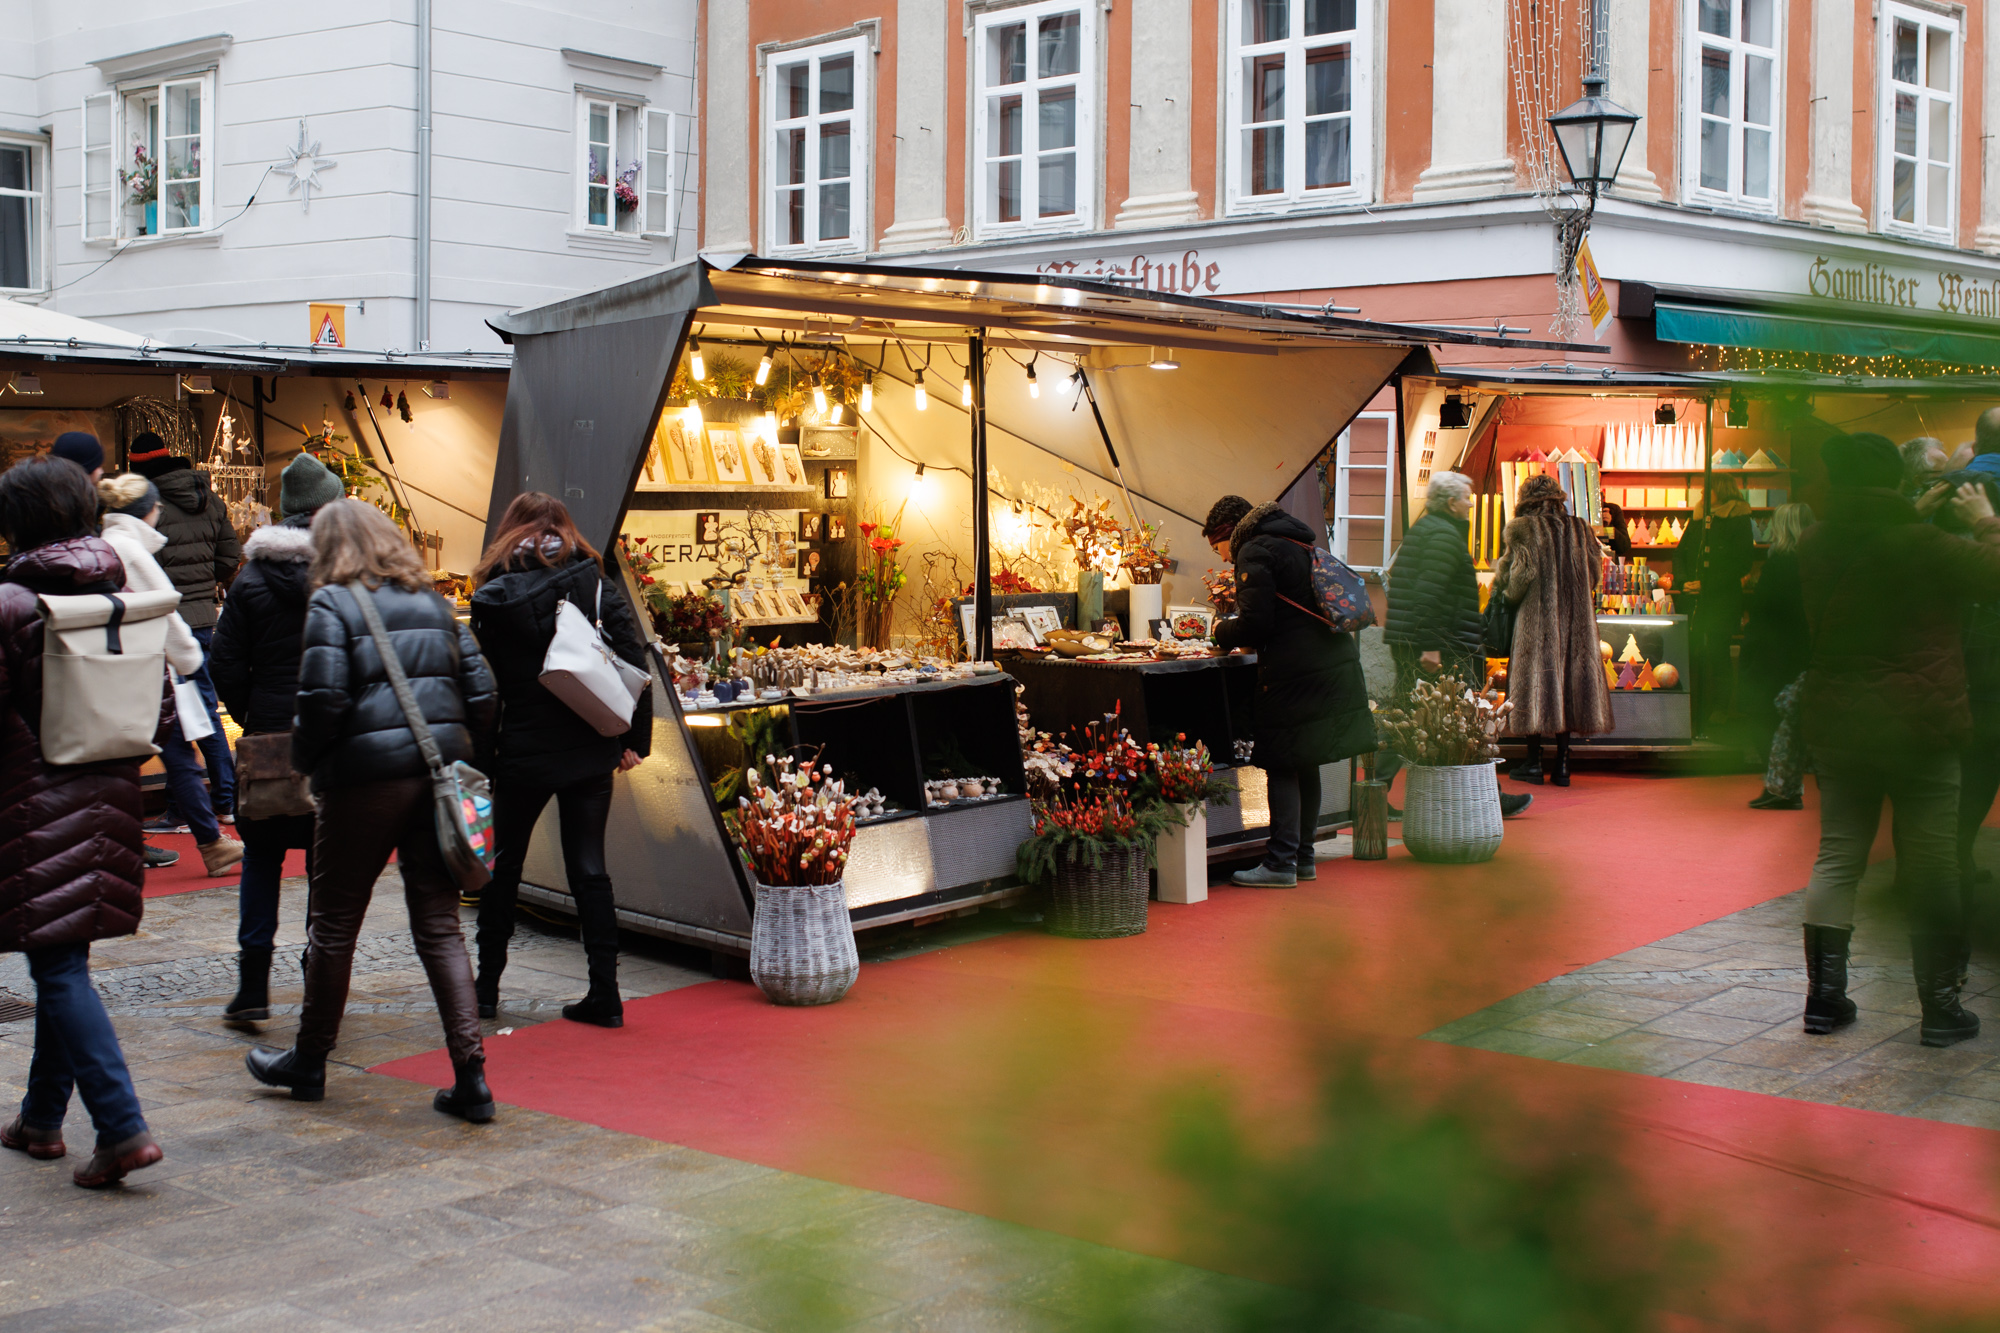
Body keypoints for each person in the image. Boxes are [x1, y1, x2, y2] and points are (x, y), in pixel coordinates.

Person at [244, 499, 499, 1119]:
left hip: (363, 782)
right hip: (438, 775)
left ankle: (308, 1062)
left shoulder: (333, 603)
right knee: (439, 925)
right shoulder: (433, 602)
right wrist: (460, 749)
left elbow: (322, 699)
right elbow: (485, 691)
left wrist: (309, 759)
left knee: (334, 927)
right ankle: (472, 1077)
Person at [1796, 432, 2000, 1048]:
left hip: (1840, 721)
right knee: (1934, 861)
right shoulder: (1926, 544)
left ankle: (1824, 1001)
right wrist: (1987, 522)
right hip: (1922, 723)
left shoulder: (1814, 542)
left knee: (1838, 854)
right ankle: (1940, 1008)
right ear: (1897, 482)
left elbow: (1871, 545)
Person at [0, 458, 163, 1187]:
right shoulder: (119, 591)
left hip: (32, 802)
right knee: (65, 957)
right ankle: (40, 1120)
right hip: (111, 793)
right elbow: (157, 708)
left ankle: (122, 1127)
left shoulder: (10, 602)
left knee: (57, 965)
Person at [469, 493, 652, 1026]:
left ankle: (485, 990)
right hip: (590, 744)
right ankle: (606, 995)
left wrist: (483, 761)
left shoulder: (492, 593)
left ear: (511, 530)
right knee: (589, 868)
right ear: (563, 529)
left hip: (521, 750)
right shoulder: (592, 579)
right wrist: (630, 738)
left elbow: (483, 689)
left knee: (502, 868)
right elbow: (632, 657)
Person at [209, 453, 345, 1021]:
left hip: (268, 741)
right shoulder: (345, 575)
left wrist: (258, 717)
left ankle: (252, 988)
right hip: (333, 745)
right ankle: (320, 980)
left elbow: (224, 666)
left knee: (262, 861)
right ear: (325, 510)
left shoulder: (250, 581)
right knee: (327, 867)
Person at [1203, 494, 1376, 887]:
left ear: (1228, 533)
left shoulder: (1254, 550)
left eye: (1218, 548)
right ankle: (1302, 858)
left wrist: (1220, 631)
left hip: (1293, 673)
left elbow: (1256, 624)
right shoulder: (1294, 540)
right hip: (1327, 666)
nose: (1224, 558)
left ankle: (1280, 863)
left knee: (1281, 760)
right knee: (1306, 759)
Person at [98, 474, 244, 876]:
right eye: (158, 506)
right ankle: (212, 842)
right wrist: (190, 660)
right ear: (146, 510)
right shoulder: (131, 549)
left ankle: (205, 841)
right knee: (180, 751)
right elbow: (162, 612)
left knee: (157, 755)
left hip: (120, 667)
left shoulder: (107, 543)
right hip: (147, 666)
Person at [1378, 471, 1531, 818]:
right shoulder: (1443, 537)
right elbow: (1428, 595)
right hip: (1442, 645)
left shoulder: (1426, 531)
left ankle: (1374, 789)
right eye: (1466, 498)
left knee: (1414, 715)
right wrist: (1431, 646)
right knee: (1461, 717)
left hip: (1423, 641)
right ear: (1451, 502)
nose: (1469, 503)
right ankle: (1488, 795)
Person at [131, 431, 240, 824]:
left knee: (176, 718)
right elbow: (231, 553)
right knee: (204, 709)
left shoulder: (148, 505)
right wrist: (202, 585)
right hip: (204, 618)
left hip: (164, 620)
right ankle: (217, 799)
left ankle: (202, 803)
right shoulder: (209, 497)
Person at [1494, 473, 1612, 785]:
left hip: (1537, 621)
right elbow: (1594, 574)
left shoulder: (1522, 529)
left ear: (1525, 500)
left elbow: (1520, 575)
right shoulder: (1579, 528)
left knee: (1534, 684)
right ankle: (1562, 764)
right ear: (1558, 498)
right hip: (1575, 622)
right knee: (1568, 684)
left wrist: (1507, 596)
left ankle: (1533, 763)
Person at [1741, 502, 1815, 810]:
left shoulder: (1778, 564)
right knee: (1792, 721)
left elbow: (1763, 613)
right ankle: (1785, 786)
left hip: (1772, 654)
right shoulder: (1813, 562)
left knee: (1766, 718)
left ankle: (1781, 786)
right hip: (1804, 652)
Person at [1673, 474, 1757, 730]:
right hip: (1693, 600)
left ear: (1719, 490)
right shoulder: (1698, 519)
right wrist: (1683, 581)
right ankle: (1693, 708)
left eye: (1705, 491)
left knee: (1718, 654)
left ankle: (1719, 710)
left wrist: (1706, 586)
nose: (1701, 495)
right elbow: (1681, 553)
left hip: (1721, 601)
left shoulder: (1739, 520)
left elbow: (1741, 562)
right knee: (1692, 652)